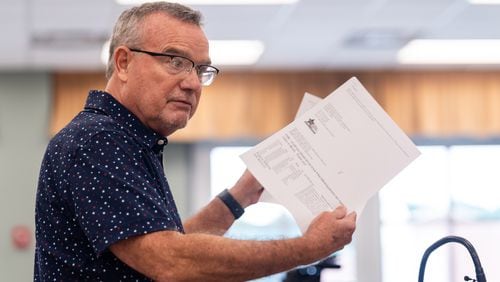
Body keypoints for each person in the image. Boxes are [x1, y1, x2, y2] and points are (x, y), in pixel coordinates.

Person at [34, 2, 357, 281]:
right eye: (174, 61)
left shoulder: (128, 139)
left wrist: (239, 197)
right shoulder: (98, 140)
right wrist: (306, 248)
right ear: (123, 63)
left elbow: (168, 244)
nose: (192, 83)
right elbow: (168, 261)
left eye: (201, 69)